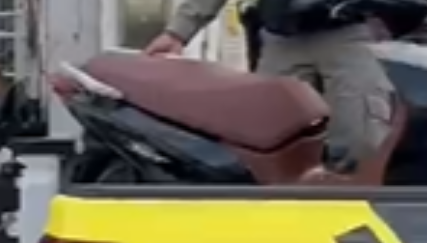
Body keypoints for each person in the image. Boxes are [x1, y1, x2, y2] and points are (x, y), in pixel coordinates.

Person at [144, 0, 396, 168]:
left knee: (359, 140)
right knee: (267, 143)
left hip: (348, 33)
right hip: (281, 39)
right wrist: (177, 32)